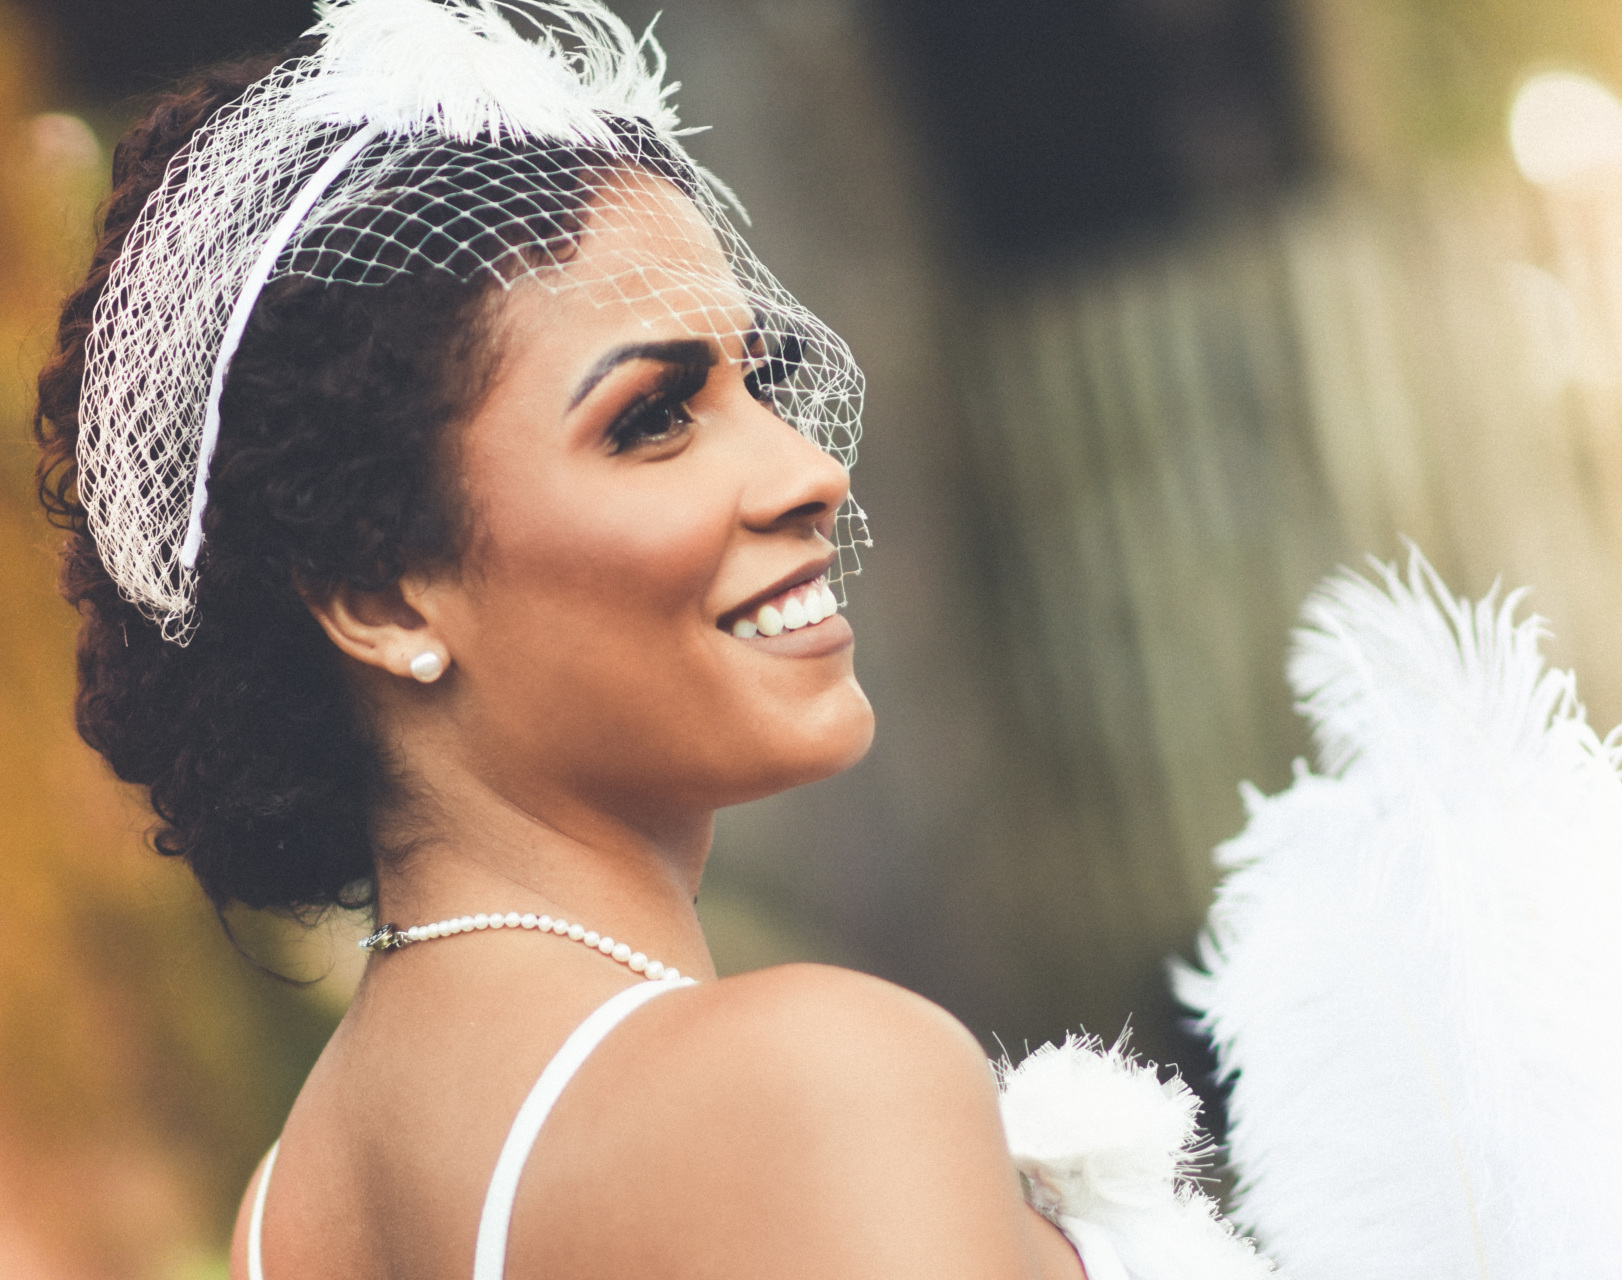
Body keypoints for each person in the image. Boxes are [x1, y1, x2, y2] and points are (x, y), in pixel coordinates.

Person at [34, 2, 1266, 1277]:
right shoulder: (815, 1084)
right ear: (382, 597)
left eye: (761, 384)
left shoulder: (288, 1213)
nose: (807, 471)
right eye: (653, 417)